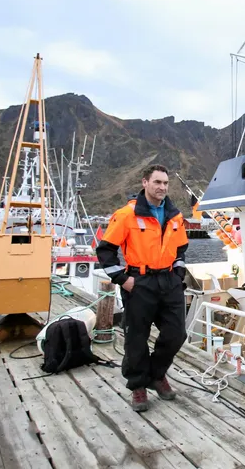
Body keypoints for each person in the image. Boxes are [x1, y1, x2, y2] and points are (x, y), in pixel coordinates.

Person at [97, 164, 190, 412]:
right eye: (157, 182)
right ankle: (138, 385)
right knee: (136, 336)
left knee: (176, 333)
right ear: (145, 182)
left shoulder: (175, 216)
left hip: (169, 281)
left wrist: (179, 272)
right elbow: (105, 251)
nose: (162, 187)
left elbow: (181, 248)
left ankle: (156, 374)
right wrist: (123, 279)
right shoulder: (126, 215)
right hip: (139, 283)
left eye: (165, 183)